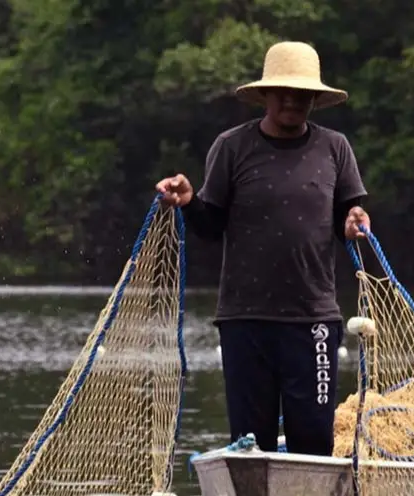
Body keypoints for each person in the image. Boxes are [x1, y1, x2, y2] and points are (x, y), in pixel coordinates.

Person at [155, 41, 372, 457]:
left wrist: (355, 222)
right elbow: (209, 224)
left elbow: (350, 214)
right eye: (282, 92)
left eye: (301, 94)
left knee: (312, 440)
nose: (292, 100)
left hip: (313, 320)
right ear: (266, 95)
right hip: (244, 320)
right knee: (250, 444)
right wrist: (186, 202)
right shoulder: (232, 147)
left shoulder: (335, 148)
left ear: (313, 99)